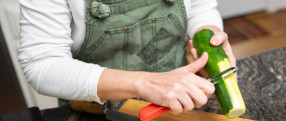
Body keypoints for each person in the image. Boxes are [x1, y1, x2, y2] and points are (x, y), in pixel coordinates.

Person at [18, 0, 236, 114]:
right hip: (94, 111)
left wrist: (209, 42)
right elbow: (42, 63)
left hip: (179, 105)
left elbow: (199, 6)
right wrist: (146, 83)